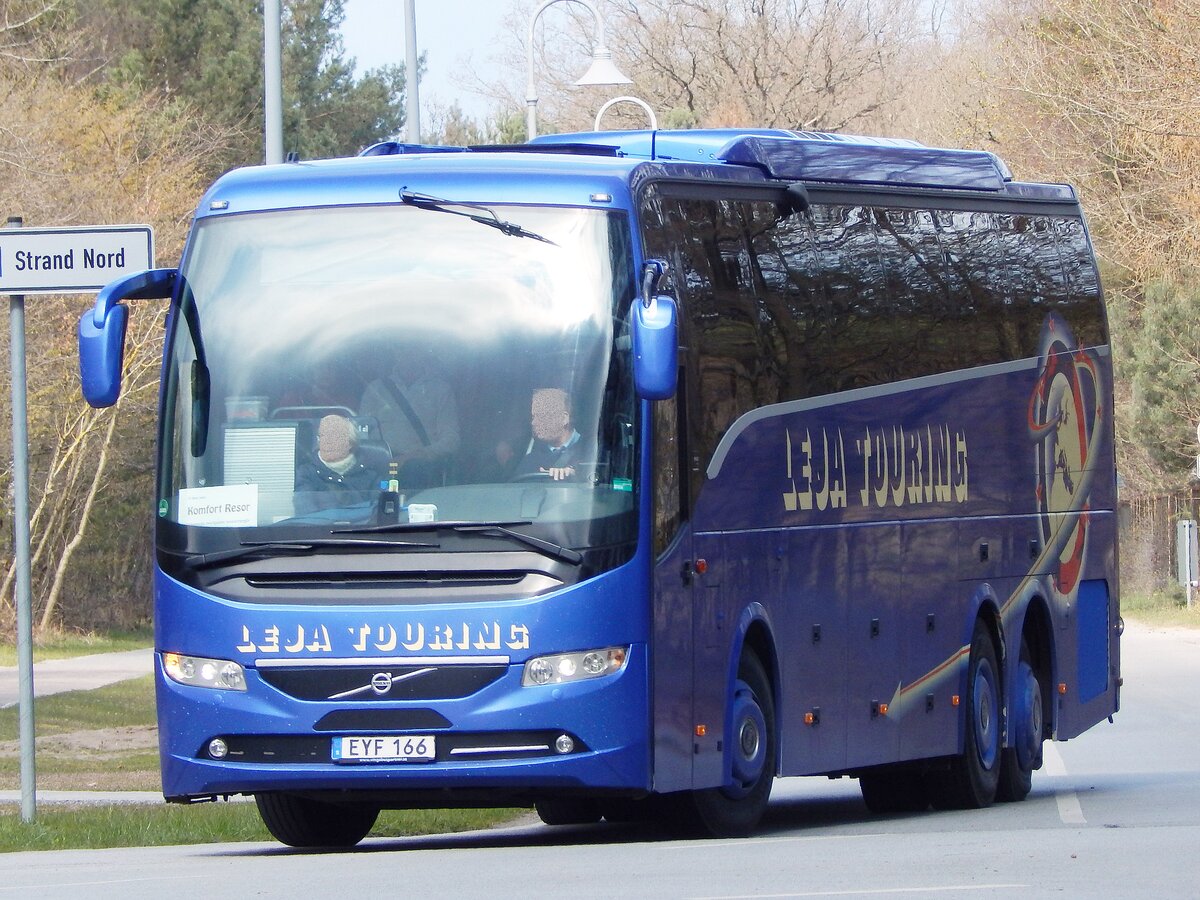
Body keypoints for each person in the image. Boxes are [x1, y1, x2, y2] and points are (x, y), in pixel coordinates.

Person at [359, 350, 459, 490]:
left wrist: (415, 456)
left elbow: (451, 440)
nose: (408, 353)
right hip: (379, 468)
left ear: (423, 351)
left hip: (421, 468)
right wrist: (378, 458)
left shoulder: (441, 389)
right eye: (402, 347)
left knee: (415, 470)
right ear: (395, 352)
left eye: (413, 347)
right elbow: (362, 433)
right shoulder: (376, 388)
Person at [294, 414, 386, 512]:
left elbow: (379, 511)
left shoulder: (370, 475)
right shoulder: (306, 473)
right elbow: (306, 512)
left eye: (334, 437)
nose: (327, 442)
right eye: (322, 436)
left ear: (350, 442)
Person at [513, 387, 593, 481]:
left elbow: (599, 482)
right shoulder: (530, 460)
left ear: (564, 418)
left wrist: (577, 476)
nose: (533, 423)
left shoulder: (592, 450)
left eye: (542, 416)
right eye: (534, 417)